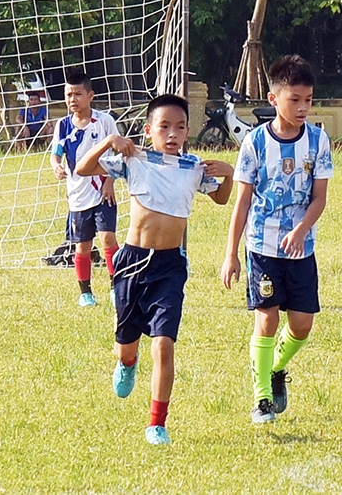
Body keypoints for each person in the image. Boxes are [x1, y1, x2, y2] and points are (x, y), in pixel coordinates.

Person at [76, 94, 233, 445]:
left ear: (188, 131)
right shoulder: (134, 160)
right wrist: (108, 141)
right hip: (132, 263)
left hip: (170, 267)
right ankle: (127, 364)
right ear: (149, 131)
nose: (172, 133)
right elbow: (83, 169)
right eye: (164, 127)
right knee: (126, 348)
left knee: (163, 345)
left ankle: (157, 422)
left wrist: (229, 175)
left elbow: (221, 198)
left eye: (180, 127)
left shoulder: (193, 168)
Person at [221, 55, 333, 424]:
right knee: (266, 320)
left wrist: (301, 229)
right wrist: (231, 254)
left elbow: (320, 197)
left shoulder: (318, 140)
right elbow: (242, 202)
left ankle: (275, 367)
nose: (302, 108)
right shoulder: (253, 144)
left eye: (309, 100)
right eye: (294, 99)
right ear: (274, 99)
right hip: (262, 247)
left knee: (302, 324)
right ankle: (262, 399)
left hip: (303, 249)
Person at [50, 72, 120, 307]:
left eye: (78, 94)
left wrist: (110, 179)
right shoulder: (62, 125)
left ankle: (115, 286)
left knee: (108, 238)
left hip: (103, 192)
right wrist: (56, 167)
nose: (73, 99)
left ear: (90, 96)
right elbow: (55, 154)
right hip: (77, 195)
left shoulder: (105, 121)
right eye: (69, 94)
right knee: (82, 245)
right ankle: (85, 293)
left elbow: (118, 152)